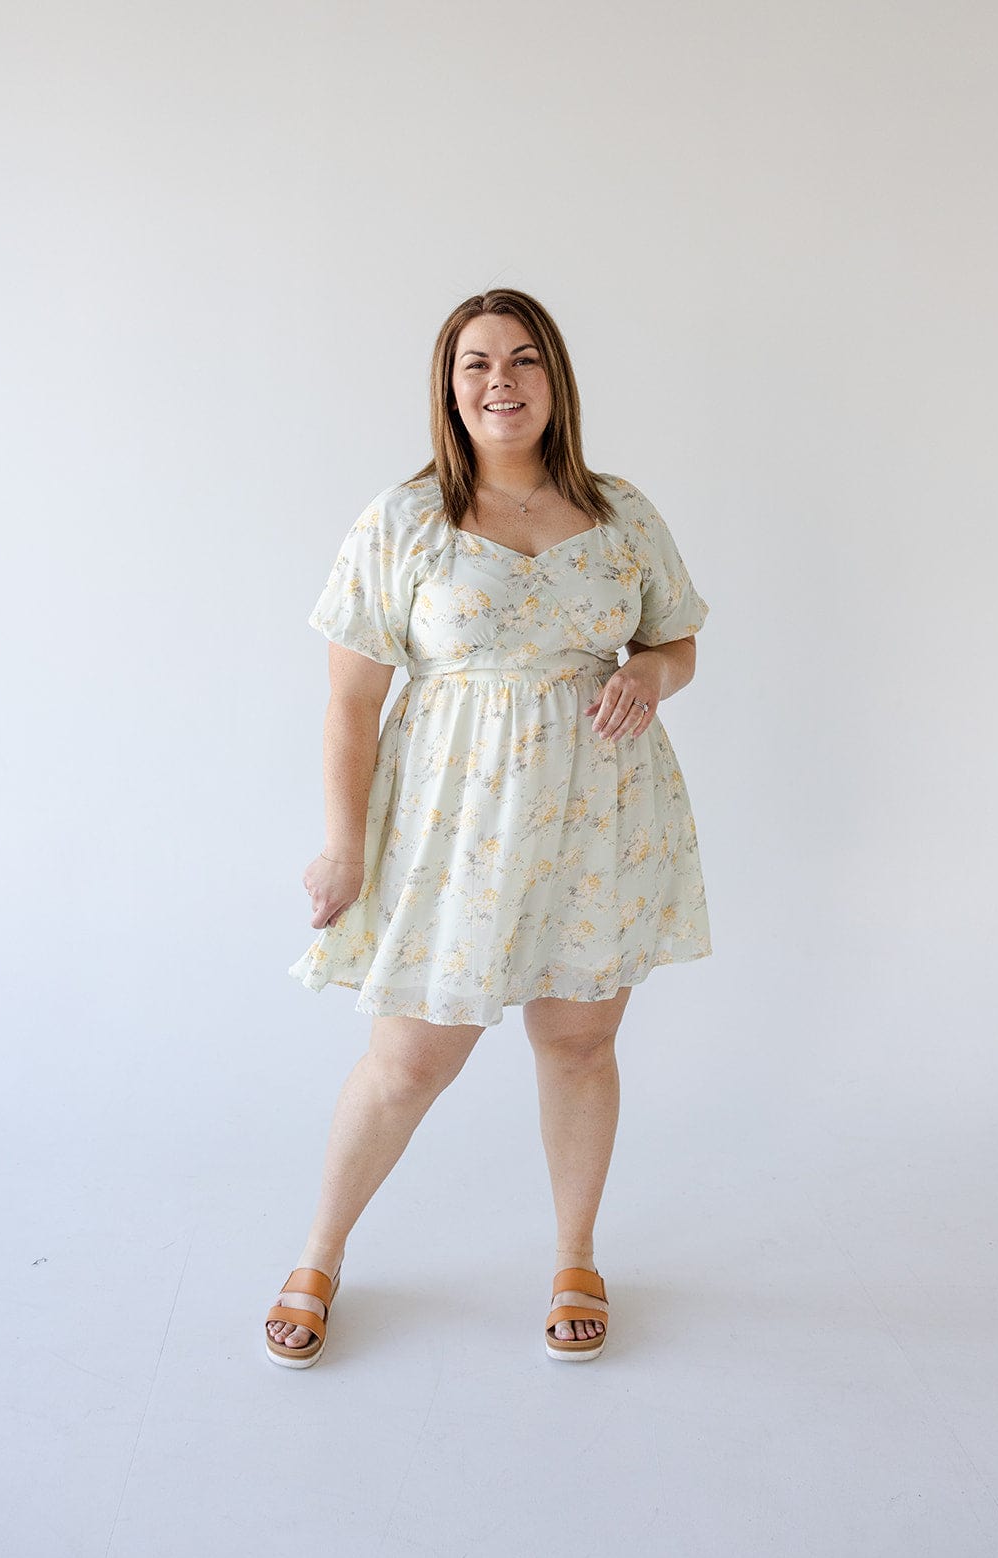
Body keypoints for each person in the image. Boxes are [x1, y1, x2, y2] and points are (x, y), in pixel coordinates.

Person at [266, 287, 712, 1367]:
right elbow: (348, 704)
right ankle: (318, 1254)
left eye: (522, 359)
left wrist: (650, 670)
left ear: (554, 379)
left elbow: (677, 643)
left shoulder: (618, 514)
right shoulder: (404, 519)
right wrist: (342, 843)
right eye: (475, 363)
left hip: (599, 813)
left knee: (577, 1039)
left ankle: (573, 1255)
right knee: (409, 1057)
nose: (499, 381)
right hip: (453, 823)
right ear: (448, 386)